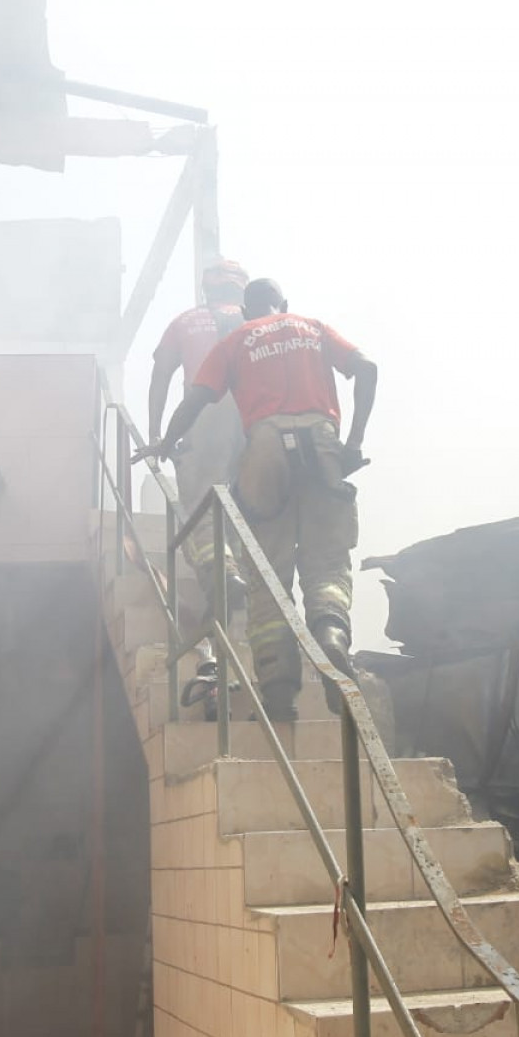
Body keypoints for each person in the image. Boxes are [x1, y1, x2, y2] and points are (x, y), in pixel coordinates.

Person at [144, 278, 377, 721]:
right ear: (283, 303)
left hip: (266, 446)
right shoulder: (312, 327)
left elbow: (195, 399)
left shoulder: (236, 340)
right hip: (322, 442)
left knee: (267, 573)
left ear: (248, 312)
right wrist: (353, 443)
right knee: (327, 562)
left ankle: (277, 690)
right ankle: (330, 633)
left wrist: (164, 442)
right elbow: (367, 368)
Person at [146, 260, 250, 711]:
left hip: (202, 412)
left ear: (205, 290)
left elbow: (160, 374)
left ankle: (222, 572)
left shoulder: (186, 321)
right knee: (243, 508)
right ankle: (241, 575)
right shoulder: (253, 321)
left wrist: (156, 437)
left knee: (197, 510)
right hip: (250, 418)